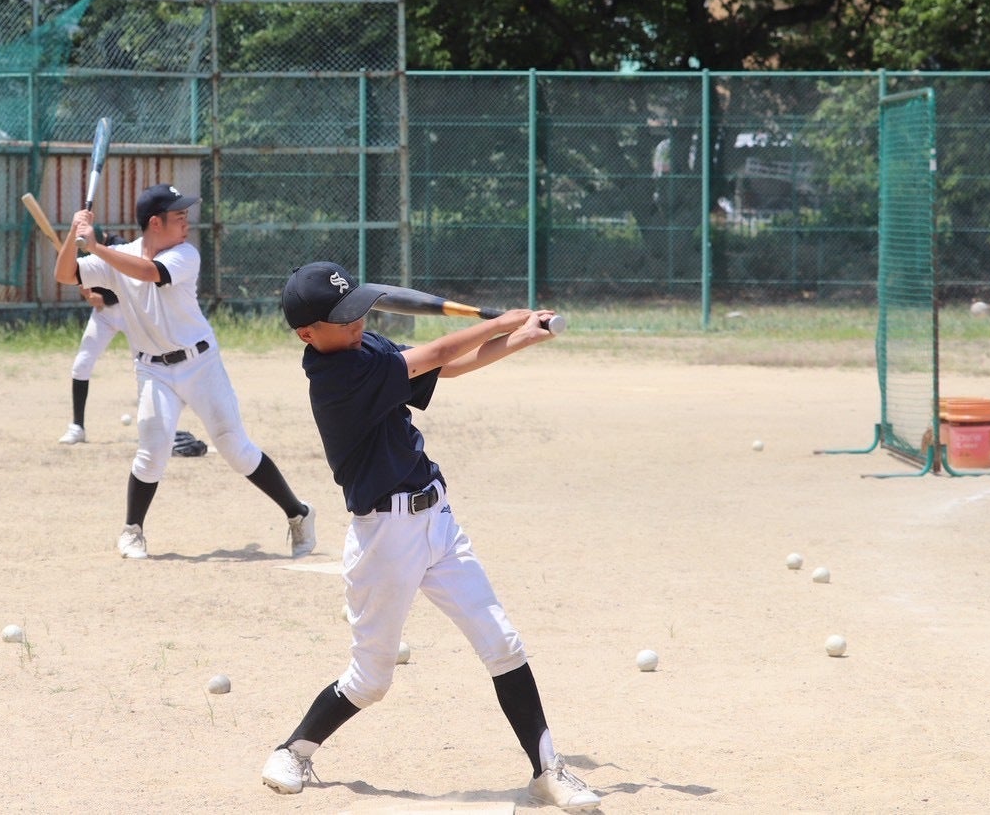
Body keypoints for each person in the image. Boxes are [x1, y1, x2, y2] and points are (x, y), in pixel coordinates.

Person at [261, 261, 599, 810]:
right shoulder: (337, 377)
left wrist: (518, 338)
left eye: (358, 312)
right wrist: (498, 321)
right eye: (343, 320)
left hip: (437, 519)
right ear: (307, 334)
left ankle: (548, 771)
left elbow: (448, 366)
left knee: (502, 644)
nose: (357, 323)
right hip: (384, 537)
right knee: (371, 680)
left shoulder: (364, 347)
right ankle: (294, 749)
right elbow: (437, 351)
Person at [53, 183, 316, 560]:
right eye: (179, 217)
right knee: (152, 451)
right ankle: (132, 531)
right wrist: (73, 234)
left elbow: (150, 272)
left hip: (200, 364)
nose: (186, 223)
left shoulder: (184, 255)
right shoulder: (119, 258)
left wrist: (96, 247)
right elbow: (66, 274)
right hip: (153, 370)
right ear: (155, 223)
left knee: (234, 448)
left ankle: (298, 512)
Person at [58, 282, 126, 446]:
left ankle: (159, 429)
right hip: (103, 314)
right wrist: (86, 290)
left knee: (147, 365)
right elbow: (76, 275)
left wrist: (105, 298)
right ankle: (77, 427)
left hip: (132, 312)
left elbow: (134, 282)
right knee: (81, 365)